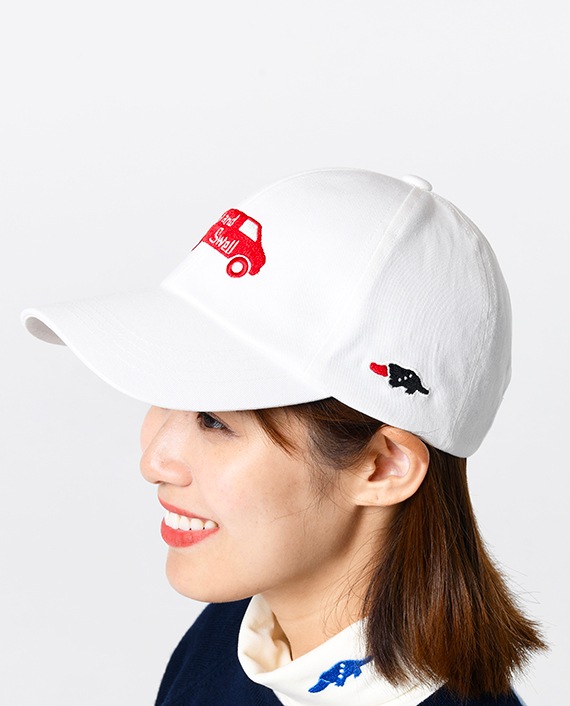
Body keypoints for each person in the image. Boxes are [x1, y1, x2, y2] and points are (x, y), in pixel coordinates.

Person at [22, 169, 545, 705]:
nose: (154, 461)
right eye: (165, 394)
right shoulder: (230, 637)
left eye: (214, 421)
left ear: (383, 467)